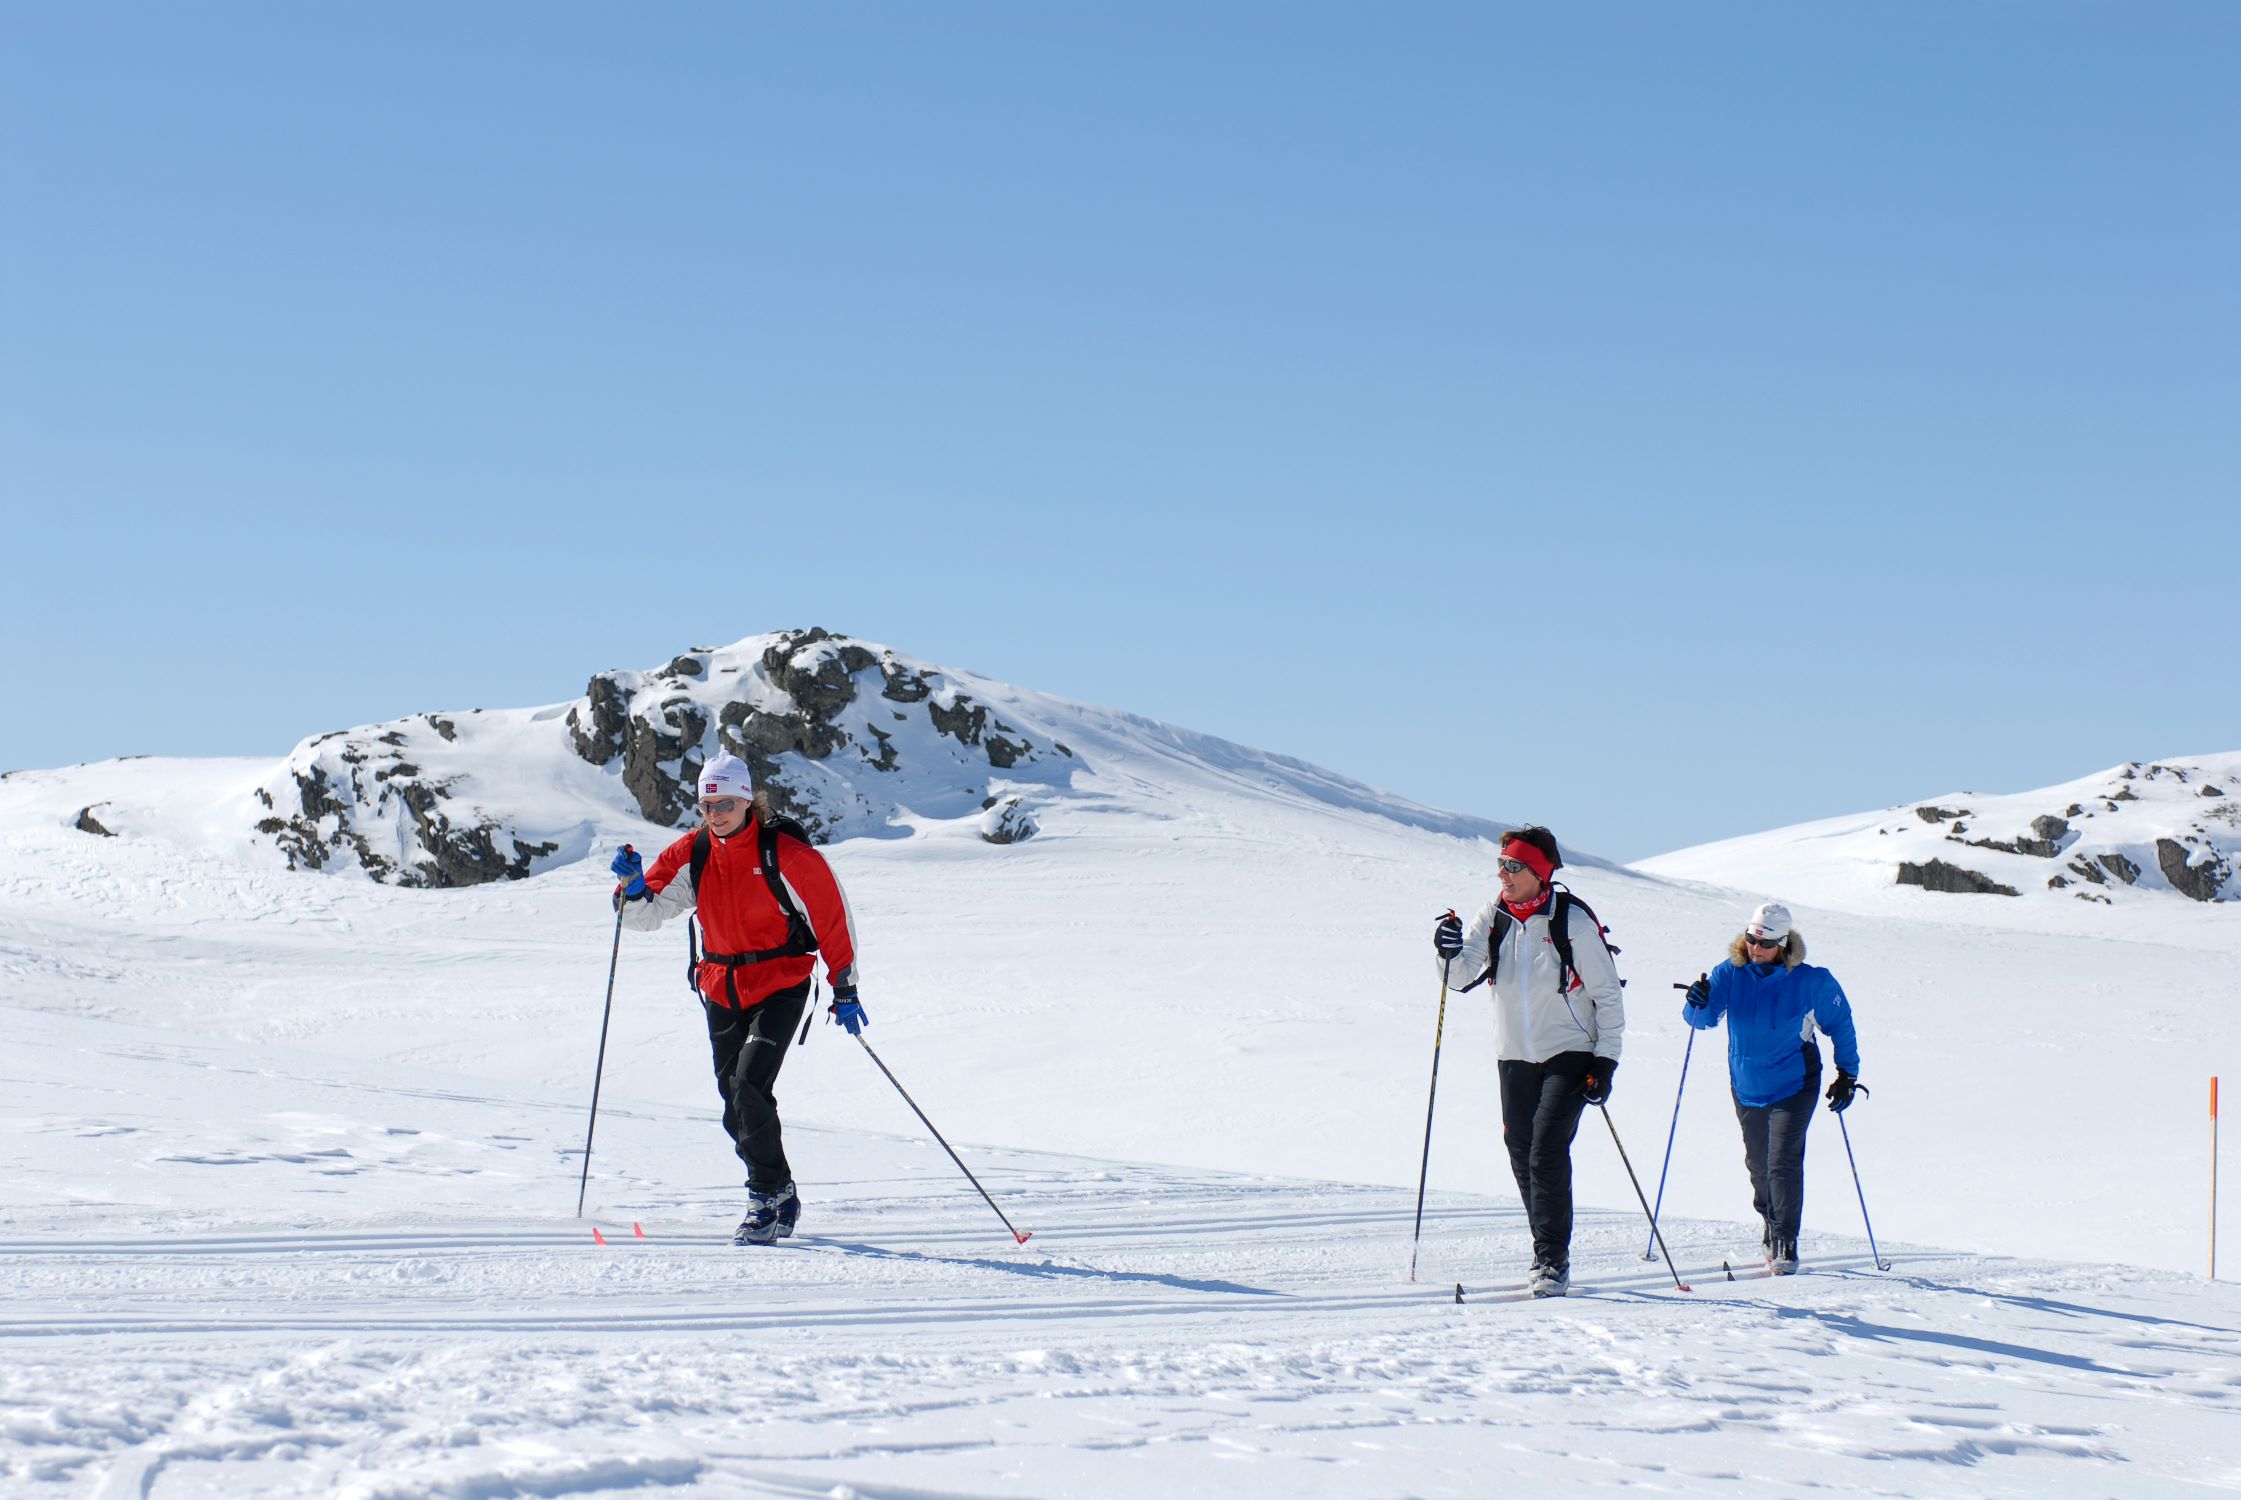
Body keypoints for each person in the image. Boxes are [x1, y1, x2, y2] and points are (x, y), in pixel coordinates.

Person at [608, 752, 863, 1245]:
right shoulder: (693, 851)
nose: (715, 813)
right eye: (707, 805)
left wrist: (845, 988)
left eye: (725, 803)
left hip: (781, 982)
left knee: (748, 1085)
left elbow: (832, 918)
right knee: (734, 1103)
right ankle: (781, 1188)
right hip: (721, 985)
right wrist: (631, 887)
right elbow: (643, 916)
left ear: (747, 800)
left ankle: (762, 1201)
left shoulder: (785, 853)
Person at [1433, 826, 1624, 1297]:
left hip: (1570, 1052)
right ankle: (1546, 1244)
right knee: (1521, 1150)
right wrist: (1445, 951)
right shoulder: (1493, 915)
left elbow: (1607, 995)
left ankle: (1552, 1258)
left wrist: (1605, 1062)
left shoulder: (1572, 921)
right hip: (1514, 1055)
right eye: (1501, 864)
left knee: (1546, 1150)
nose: (1503, 873)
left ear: (1539, 873)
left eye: (1514, 866)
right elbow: (1459, 977)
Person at [1681, 901, 1861, 1275]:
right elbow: (1702, 1019)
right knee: (1758, 1165)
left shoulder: (1811, 981)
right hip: (1747, 1085)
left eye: (1765, 943)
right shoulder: (1730, 973)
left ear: (1782, 943)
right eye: (1751, 939)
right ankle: (1769, 1220)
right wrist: (1696, 1001)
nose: (1755, 948)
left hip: (1795, 1084)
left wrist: (1847, 1074)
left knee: (1782, 1162)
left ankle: (1785, 1239)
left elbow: (1841, 1024)